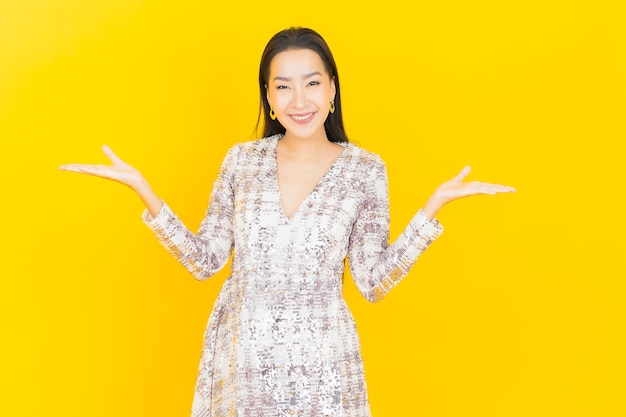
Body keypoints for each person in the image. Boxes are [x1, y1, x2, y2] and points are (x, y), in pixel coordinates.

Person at [60, 27, 515, 417]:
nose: (300, 100)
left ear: (333, 89)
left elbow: (373, 282)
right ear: (268, 97)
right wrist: (145, 190)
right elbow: (205, 261)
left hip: (325, 364)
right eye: (283, 87)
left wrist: (430, 211)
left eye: (312, 83)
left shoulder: (365, 170)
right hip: (242, 360)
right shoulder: (241, 162)